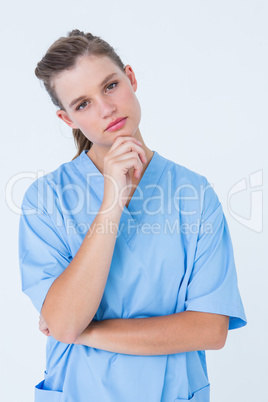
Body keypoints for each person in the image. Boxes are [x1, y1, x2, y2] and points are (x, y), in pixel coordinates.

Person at [18, 29, 247, 402]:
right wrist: (112, 201)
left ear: (131, 78)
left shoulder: (194, 194)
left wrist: (85, 332)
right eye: (83, 104)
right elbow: (63, 322)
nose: (106, 109)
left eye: (110, 86)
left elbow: (210, 329)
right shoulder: (46, 199)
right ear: (67, 119)